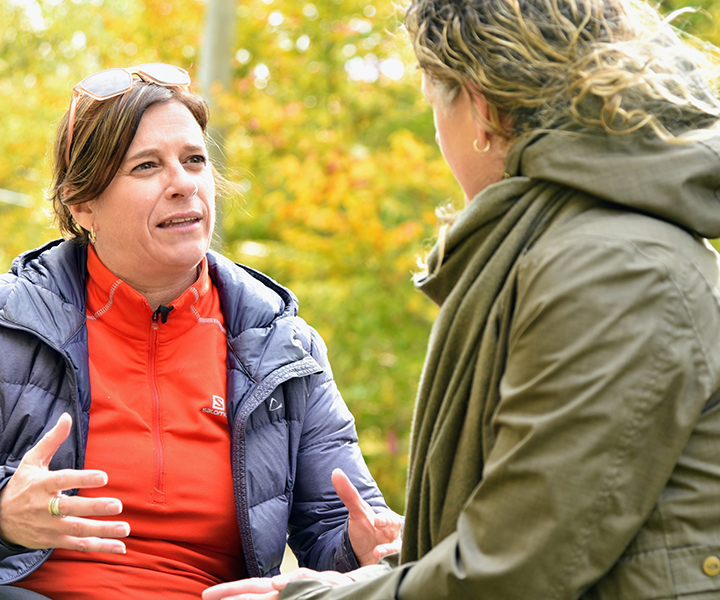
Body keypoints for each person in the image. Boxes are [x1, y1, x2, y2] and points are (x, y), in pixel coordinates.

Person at [203, 0, 720, 598]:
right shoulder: (576, 250)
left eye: (432, 101)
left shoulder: (612, 270)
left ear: (479, 107)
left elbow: (519, 567)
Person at [0, 63, 402, 600]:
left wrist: (363, 546)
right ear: (82, 204)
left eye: (194, 161)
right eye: (146, 166)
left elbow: (334, 523)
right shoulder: (11, 324)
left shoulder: (284, 349)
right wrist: (4, 515)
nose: (182, 184)